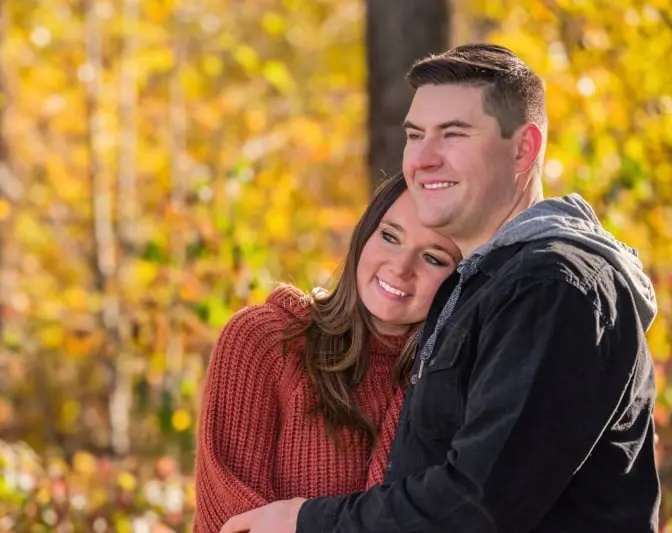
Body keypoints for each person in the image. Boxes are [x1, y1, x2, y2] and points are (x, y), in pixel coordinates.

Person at [220, 43, 660, 532]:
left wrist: (307, 522)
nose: (423, 158)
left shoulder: (552, 287)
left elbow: (477, 508)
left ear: (524, 148)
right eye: (415, 134)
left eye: (453, 134)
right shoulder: (480, 287)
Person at [192, 176, 461, 532]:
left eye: (433, 257)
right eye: (390, 236)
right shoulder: (267, 340)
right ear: (364, 235)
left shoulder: (449, 378)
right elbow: (231, 521)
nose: (400, 267)